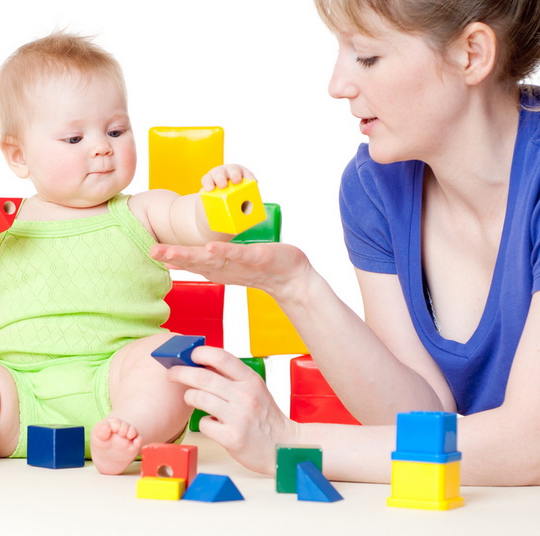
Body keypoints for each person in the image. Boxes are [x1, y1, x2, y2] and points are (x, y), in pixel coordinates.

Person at [150, 0, 540, 486]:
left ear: (472, 54)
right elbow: (417, 418)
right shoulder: (374, 186)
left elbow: (529, 444)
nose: (337, 85)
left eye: (367, 57)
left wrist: (291, 442)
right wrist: (295, 286)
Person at [0, 31, 254, 474]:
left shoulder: (141, 211)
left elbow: (191, 222)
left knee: (168, 358)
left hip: (117, 379)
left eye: (116, 131)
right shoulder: (1, 223)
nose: (102, 146)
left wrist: (220, 201)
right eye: (74, 138)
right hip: (18, 391)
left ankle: (129, 430)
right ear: (19, 155)